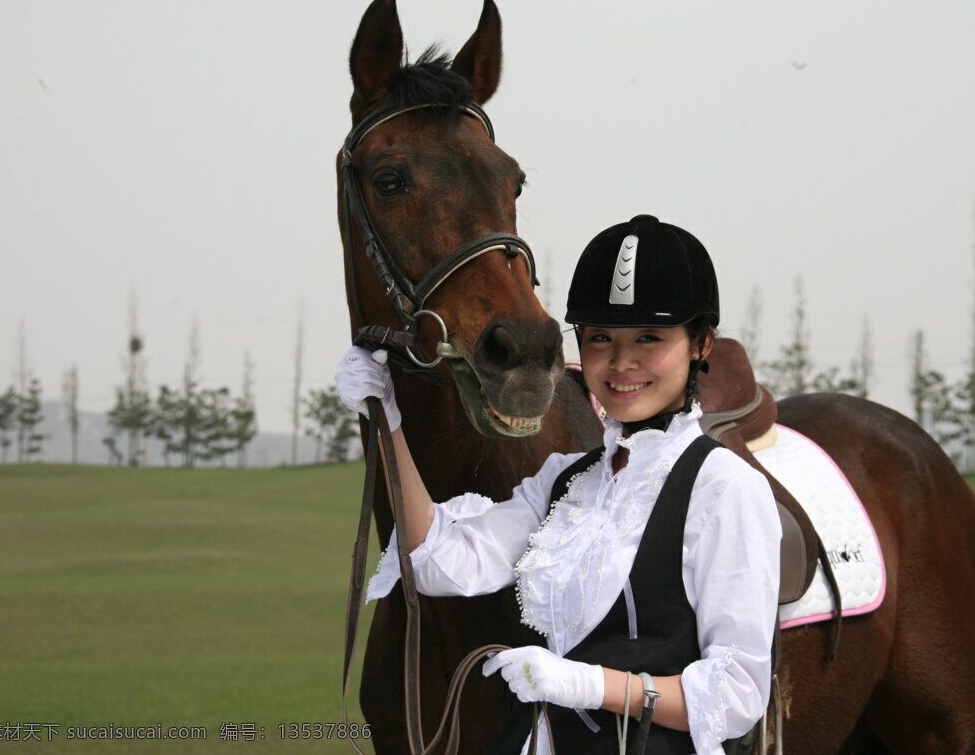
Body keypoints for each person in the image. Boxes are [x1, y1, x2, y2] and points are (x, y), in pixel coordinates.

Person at [335, 214, 782, 755]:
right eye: (600, 338)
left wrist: (588, 684)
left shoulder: (726, 488)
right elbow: (434, 559)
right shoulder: (565, 481)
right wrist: (387, 418)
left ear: (700, 345)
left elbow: (736, 697)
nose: (621, 362)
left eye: (650, 337)